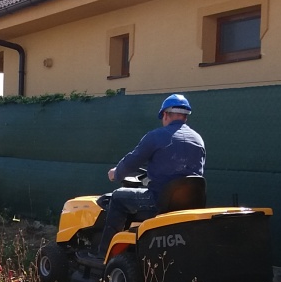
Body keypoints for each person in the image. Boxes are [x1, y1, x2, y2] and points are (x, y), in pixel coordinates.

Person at [87, 94, 206, 261]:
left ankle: (104, 255)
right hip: (189, 203)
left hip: (159, 201)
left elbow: (132, 161)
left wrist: (116, 173)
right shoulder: (198, 139)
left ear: (165, 114)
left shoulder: (156, 136)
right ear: (185, 117)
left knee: (118, 197)